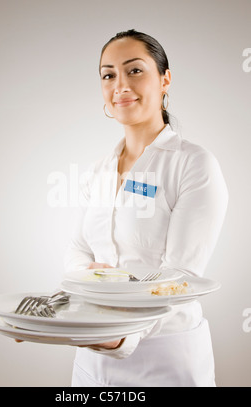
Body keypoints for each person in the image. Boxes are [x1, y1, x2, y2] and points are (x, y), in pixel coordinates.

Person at [64, 29, 228, 387]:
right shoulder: (99, 170)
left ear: (165, 79)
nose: (120, 85)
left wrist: (123, 336)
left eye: (134, 70)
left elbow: (182, 275)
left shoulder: (192, 164)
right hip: (92, 357)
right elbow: (79, 249)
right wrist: (80, 296)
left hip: (165, 354)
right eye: (108, 75)